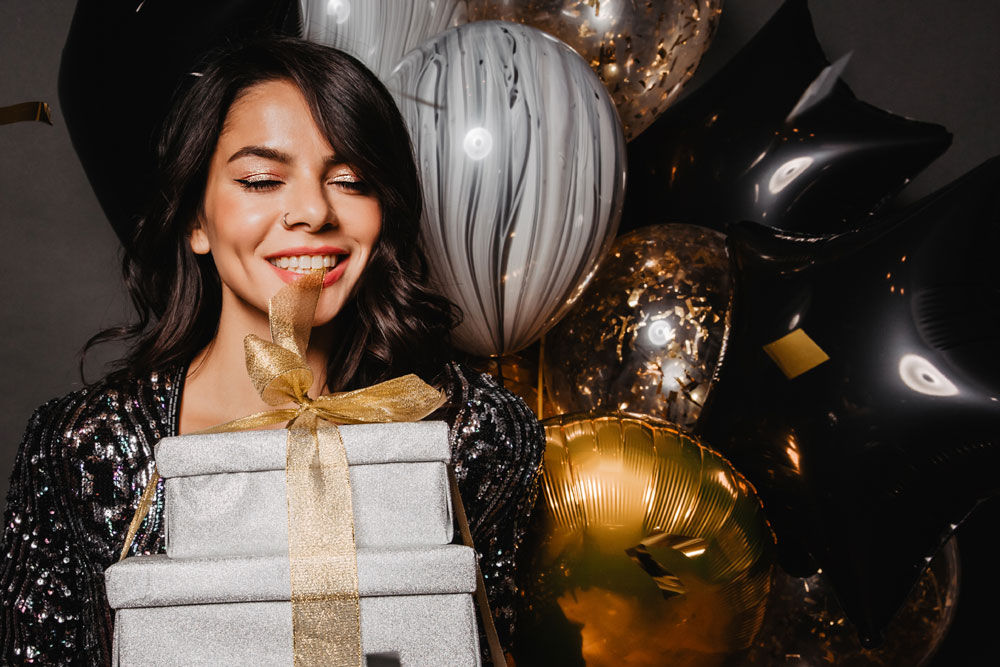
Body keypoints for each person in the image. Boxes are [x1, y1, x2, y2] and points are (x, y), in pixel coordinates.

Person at [0, 37, 543, 666]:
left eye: (352, 180)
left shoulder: (474, 430)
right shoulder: (84, 447)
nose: (313, 211)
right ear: (195, 221)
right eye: (261, 180)